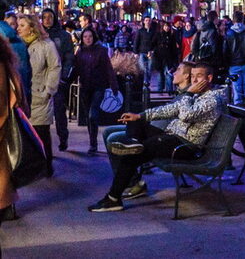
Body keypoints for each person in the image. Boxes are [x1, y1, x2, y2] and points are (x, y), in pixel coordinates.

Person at [88, 60, 227, 212]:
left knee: (134, 154)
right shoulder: (197, 95)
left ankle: (113, 198)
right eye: (193, 76)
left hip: (185, 145)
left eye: (199, 76)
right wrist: (140, 116)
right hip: (172, 136)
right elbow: (170, 109)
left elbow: (187, 115)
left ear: (209, 78)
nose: (194, 80)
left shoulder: (212, 99)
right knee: (137, 121)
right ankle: (132, 142)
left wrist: (188, 93)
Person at [19, 14, 62, 177]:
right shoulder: (20, 46)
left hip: (40, 95)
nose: (19, 28)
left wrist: (49, 90)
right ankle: (32, 167)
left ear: (32, 27)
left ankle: (46, 165)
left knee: (41, 132)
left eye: (22, 25)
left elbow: (55, 67)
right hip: (24, 97)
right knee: (25, 135)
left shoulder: (46, 45)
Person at [75, 27, 119, 154]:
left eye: (90, 36)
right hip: (85, 87)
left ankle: (93, 144)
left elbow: (108, 69)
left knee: (92, 114)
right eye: (85, 37)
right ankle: (92, 141)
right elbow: (76, 69)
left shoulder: (101, 51)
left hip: (98, 87)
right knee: (89, 117)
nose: (88, 39)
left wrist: (114, 85)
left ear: (94, 37)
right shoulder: (80, 52)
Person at [41, 8, 75, 153]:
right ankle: (44, 144)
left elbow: (69, 57)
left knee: (59, 111)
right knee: (42, 114)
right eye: (45, 17)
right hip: (41, 79)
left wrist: (64, 75)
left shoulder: (63, 36)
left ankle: (63, 138)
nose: (47, 19)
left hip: (58, 79)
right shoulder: (39, 35)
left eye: (50, 17)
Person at [0, 34, 22, 221]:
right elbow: (18, 92)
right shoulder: (6, 63)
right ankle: (7, 205)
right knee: (3, 166)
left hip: (2, 119)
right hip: (4, 121)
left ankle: (5, 204)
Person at [225, 11, 245, 103]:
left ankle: (238, 111)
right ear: (242, 19)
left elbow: (226, 50)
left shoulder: (229, 33)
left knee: (237, 91)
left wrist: (227, 63)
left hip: (234, 64)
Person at [133, 16, 158, 88]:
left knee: (149, 68)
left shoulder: (154, 31)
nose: (148, 22)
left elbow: (155, 42)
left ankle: (147, 82)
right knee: (143, 68)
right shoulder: (140, 31)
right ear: (144, 22)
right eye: (146, 20)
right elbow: (136, 41)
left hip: (150, 52)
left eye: (149, 20)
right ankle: (144, 82)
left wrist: (153, 50)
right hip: (142, 52)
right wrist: (135, 52)